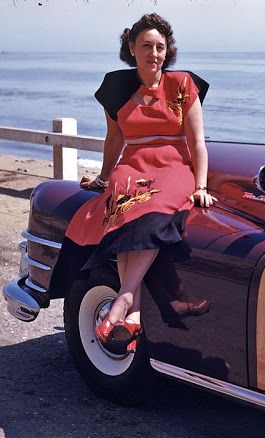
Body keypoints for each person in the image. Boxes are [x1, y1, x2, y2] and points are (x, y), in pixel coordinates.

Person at [63, 13, 215, 353]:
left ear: (167, 51)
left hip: (174, 165)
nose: (155, 53)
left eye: (161, 47)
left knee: (153, 210)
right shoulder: (116, 89)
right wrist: (103, 178)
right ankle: (131, 317)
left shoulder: (182, 84)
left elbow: (198, 142)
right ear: (132, 48)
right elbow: (114, 140)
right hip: (132, 165)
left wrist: (201, 186)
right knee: (124, 211)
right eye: (146, 45)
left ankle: (124, 299)